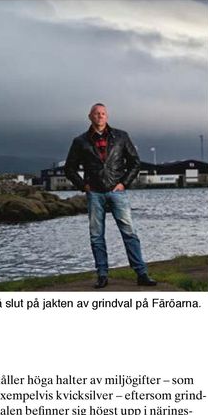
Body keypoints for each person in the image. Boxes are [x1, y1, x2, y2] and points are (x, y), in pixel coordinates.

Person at [63, 102, 157, 289]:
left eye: (103, 113)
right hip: (95, 193)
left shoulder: (121, 137)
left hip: (117, 192)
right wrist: (84, 186)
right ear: (90, 116)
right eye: (96, 113)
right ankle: (102, 275)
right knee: (96, 236)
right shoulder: (80, 141)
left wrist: (124, 183)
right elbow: (69, 169)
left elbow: (135, 162)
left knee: (129, 233)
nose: (100, 116)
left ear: (107, 116)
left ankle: (141, 273)